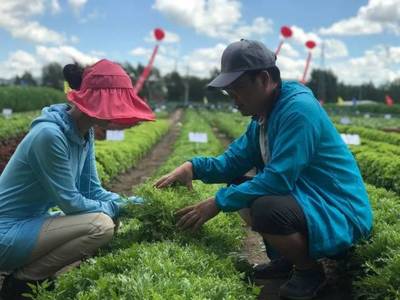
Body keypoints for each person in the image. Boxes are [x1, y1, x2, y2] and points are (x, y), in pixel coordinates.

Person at [155, 39, 373, 300]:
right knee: (240, 187)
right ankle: (286, 259)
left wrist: (216, 202)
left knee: (265, 207)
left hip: (337, 208)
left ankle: (309, 272)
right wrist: (192, 166)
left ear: (265, 78)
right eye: (228, 91)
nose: (233, 99)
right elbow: (230, 163)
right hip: (308, 198)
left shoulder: (298, 110)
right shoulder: (262, 116)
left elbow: (278, 179)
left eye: (238, 89)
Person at [0, 59, 155, 299]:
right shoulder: (49, 136)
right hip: (6, 232)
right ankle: (23, 282)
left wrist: (134, 202)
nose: (115, 114)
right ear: (90, 100)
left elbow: (91, 189)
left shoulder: (85, 132)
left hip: (29, 224)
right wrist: (118, 206)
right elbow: (70, 202)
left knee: (108, 220)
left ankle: (30, 276)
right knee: (100, 225)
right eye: (111, 105)